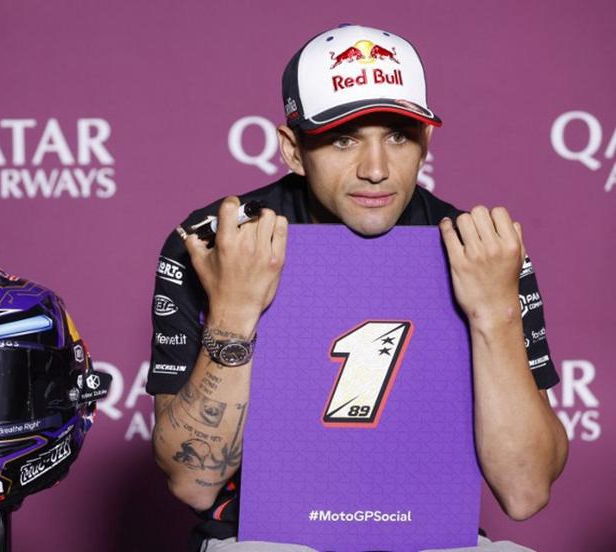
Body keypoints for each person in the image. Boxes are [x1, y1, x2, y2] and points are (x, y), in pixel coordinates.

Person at [147, 24, 568, 552]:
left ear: (426, 142)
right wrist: (234, 313)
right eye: (343, 139)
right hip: (263, 537)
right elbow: (193, 481)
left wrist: (495, 316)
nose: (375, 169)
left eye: (398, 136)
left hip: (430, 535)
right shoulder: (216, 241)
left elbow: (525, 490)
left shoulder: (478, 246)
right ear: (293, 150)